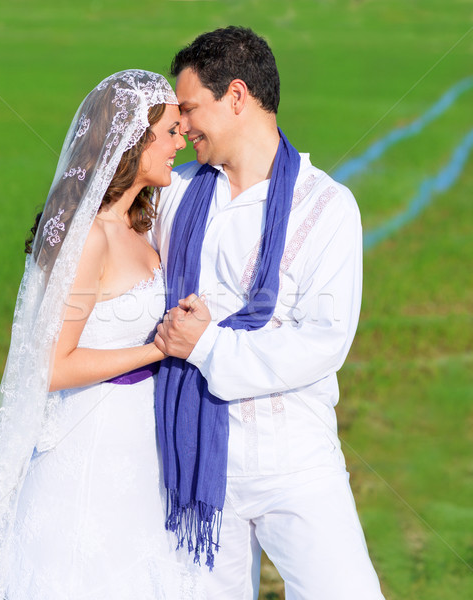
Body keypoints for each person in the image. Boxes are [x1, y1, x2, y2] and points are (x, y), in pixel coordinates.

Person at [152, 27, 386, 599]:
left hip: (295, 460)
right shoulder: (175, 194)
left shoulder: (327, 205)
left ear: (236, 97)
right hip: (197, 464)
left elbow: (323, 341)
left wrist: (207, 346)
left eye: (189, 109)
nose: (181, 128)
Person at [0, 70, 205, 599]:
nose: (179, 141)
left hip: (141, 445)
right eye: (168, 133)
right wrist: (155, 349)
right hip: (92, 442)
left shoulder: (140, 225)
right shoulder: (90, 238)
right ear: (133, 142)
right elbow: (52, 366)